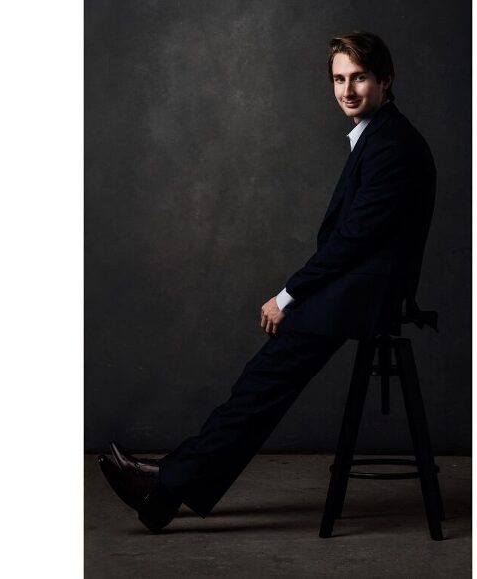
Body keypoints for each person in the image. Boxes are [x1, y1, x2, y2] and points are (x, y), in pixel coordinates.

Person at [97, 31, 436, 533]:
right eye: (339, 79)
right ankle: (164, 491)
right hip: (353, 288)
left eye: (359, 78)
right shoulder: (379, 136)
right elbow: (350, 243)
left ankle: (164, 487)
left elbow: (352, 242)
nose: (348, 90)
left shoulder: (391, 145)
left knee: (261, 385)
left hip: (363, 296)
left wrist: (286, 294)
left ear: (385, 81)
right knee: (258, 386)